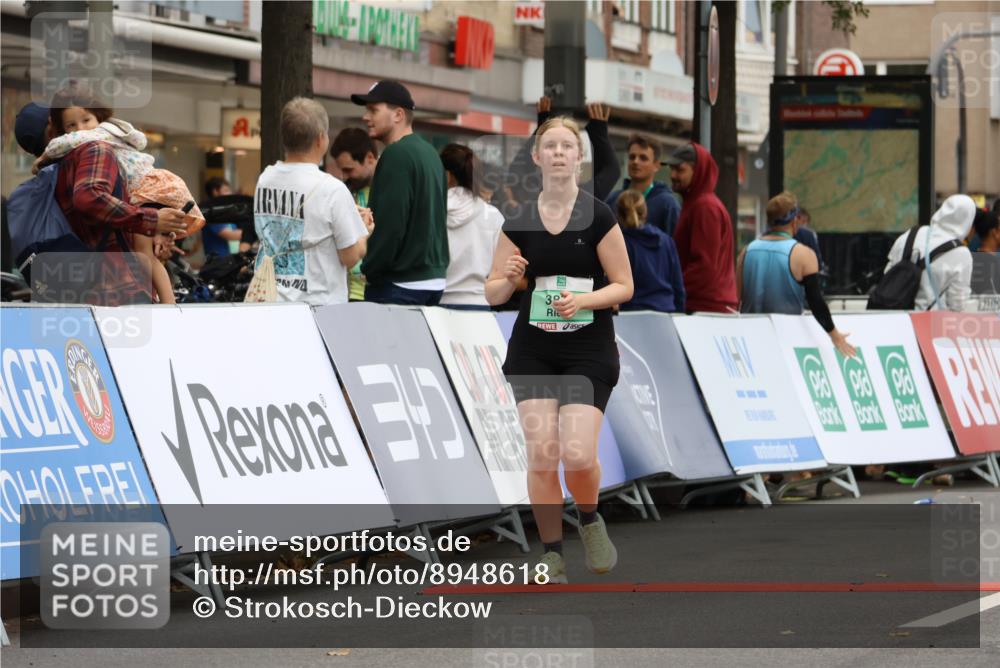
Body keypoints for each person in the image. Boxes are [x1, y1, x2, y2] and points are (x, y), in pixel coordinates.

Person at [485, 116, 634, 585]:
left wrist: (585, 301)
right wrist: (508, 279)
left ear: (579, 158)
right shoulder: (519, 219)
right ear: (536, 156)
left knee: (577, 454)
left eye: (567, 146)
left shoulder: (599, 216)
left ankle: (589, 517)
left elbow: (626, 286)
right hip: (534, 348)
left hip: (588, 349)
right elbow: (491, 293)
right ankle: (552, 553)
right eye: (549, 146)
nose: (558, 153)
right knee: (543, 454)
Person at [42, 89, 198, 303]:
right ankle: (168, 303)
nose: (80, 129)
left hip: (144, 189)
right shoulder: (90, 147)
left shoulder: (94, 142)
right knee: (147, 254)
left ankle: (168, 302)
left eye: (86, 119)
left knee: (145, 254)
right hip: (140, 194)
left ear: (99, 116)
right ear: (62, 128)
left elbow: (87, 194)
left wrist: (43, 158)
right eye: (71, 125)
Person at [253, 97, 371, 305]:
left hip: (270, 301)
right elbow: (350, 258)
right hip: (318, 307)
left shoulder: (265, 180)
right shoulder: (332, 189)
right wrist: (365, 234)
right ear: (320, 139)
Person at [351, 80, 448, 305]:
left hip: (399, 283)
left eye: (373, 110)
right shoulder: (431, 153)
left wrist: (370, 267)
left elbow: (391, 225)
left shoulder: (396, 155)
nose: (366, 117)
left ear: (398, 114)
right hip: (432, 279)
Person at [737, 192, 855, 357]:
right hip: (786, 340)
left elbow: (738, 299)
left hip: (751, 338)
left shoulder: (746, 251)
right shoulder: (803, 254)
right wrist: (835, 335)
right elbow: (816, 302)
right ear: (795, 221)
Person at [666, 143, 737, 313]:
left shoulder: (704, 207)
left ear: (697, 171)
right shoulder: (698, 204)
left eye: (680, 170)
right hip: (707, 305)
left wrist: (673, 289)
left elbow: (704, 265)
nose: (673, 175)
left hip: (705, 308)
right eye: (672, 169)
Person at [883, 194, 977, 312]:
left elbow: (888, 272)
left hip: (893, 317)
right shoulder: (961, 253)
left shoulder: (910, 234)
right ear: (968, 219)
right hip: (930, 323)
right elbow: (957, 303)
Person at [439, 144, 504, 311]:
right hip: (479, 302)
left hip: (439, 302)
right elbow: (500, 269)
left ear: (447, 175)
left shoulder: (431, 211)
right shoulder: (493, 215)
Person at [330, 128, 379, 301]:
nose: (345, 176)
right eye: (342, 170)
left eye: (349, 169)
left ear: (370, 158)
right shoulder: (345, 191)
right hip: (347, 289)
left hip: (376, 289)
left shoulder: (386, 189)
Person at [616, 190, 685, 313]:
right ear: (645, 212)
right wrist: (679, 314)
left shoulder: (622, 245)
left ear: (619, 215)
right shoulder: (666, 241)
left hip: (633, 315)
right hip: (667, 312)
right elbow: (678, 285)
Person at [605, 134, 681, 237]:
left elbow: (673, 247)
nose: (635, 162)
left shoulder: (668, 205)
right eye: (632, 157)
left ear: (656, 165)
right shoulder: (613, 199)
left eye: (643, 158)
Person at [200, 177, 242, 258]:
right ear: (215, 191)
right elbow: (231, 235)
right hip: (218, 264)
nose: (230, 193)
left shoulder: (226, 211)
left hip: (230, 262)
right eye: (226, 190)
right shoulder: (212, 212)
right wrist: (256, 231)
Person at [793, 206, 824, 273]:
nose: (804, 225)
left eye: (806, 222)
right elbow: (817, 259)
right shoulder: (809, 234)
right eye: (803, 221)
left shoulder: (810, 234)